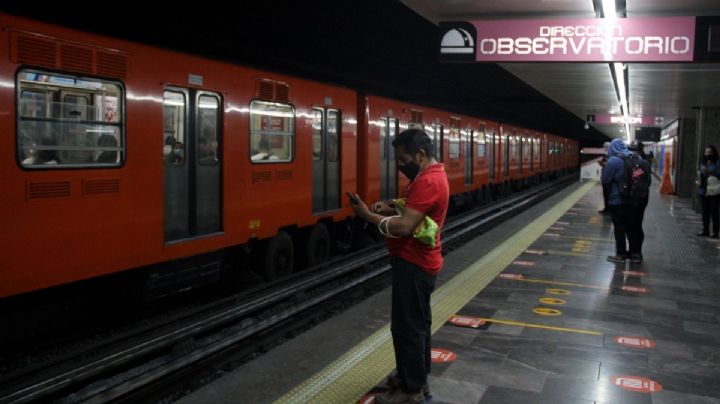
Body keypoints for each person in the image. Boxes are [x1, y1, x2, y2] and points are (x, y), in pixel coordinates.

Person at [350, 128, 449, 404]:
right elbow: (413, 211)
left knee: (407, 328)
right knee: (418, 324)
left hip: (414, 263)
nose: (401, 165)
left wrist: (368, 215)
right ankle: (415, 376)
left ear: (420, 154)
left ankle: (411, 390)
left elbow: (406, 226)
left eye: (404, 159)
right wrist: (392, 206)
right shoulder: (431, 175)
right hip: (419, 261)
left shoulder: (428, 181)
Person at [602, 138, 639, 262]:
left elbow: (605, 180)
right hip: (633, 199)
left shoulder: (613, 161)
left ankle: (621, 254)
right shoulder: (636, 159)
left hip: (617, 200)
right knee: (632, 227)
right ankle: (634, 254)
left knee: (619, 227)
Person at [627, 142, 651, 260]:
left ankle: (635, 251)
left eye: (633, 149)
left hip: (634, 199)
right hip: (642, 199)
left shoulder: (632, 162)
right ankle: (636, 251)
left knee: (633, 225)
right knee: (636, 224)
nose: (632, 151)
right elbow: (649, 182)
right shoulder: (645, 163)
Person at [696, 145, 720, 239]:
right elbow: (699, 174)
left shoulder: (717, 163)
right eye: (706, 152)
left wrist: (709, 171)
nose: (708, 154)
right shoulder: (703, 163)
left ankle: (715, 232)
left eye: (710, 152)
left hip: (714, 191)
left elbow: (719, 174)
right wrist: (697, 180)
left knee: (714, 211)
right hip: (703, 190)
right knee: (705, 211)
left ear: (714, 153)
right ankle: (705, 230)